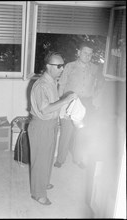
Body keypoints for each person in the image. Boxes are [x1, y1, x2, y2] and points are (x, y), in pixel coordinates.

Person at [28, 52, 77, 205]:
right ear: (48, 66)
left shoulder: (52, 82)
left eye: (63, 65)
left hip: (50, 125)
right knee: (40, 160)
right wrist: (66, 100)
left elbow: (53, 107)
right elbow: (44, 109)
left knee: (48, 158)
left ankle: (43, 182)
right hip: (41, 126)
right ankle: (38, 193)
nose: (62, 69)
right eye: (59, 66)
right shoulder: (42, 85)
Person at [54, 41, 105, 169]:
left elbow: (98, 85)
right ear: (79, 52)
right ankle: (60, 159)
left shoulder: (95, 68)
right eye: (85, 52)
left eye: (90, 54)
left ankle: (78, 159)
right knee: (66, 132)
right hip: (70, 102)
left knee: (81, 132)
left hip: (86, 104)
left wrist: (95, 99)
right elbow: (61, 85)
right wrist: (61, 104)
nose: (87, 56)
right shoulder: (69, 66)